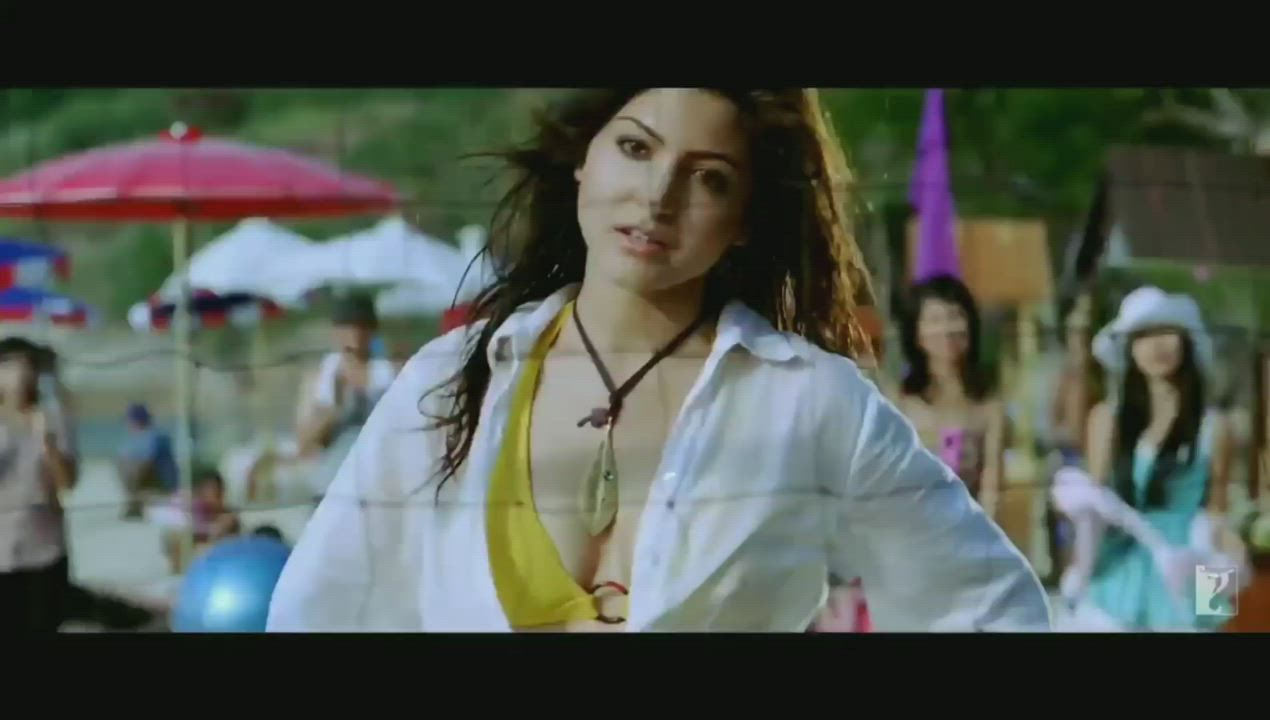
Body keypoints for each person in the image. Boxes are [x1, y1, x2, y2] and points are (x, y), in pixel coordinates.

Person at [267, 88, 1050, 632]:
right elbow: (323, 613)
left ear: (744, 220)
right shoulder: (450, 379)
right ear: (584, 159)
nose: (658, 196)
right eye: (636, 148)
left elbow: (987, 609)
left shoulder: (810, 401)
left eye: (709, 177)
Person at [1057, 286, 1244, 631]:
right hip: (1121, 562)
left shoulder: (1214, 426)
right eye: (1143, 335)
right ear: (1129, 348)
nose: (1156, 345)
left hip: (1188, 562)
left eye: (1166, 331)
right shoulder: (1107, 418)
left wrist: (1220, 588)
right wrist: (1078, 572)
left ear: (1186, 341)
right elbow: (1094, 507)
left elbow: (1216, 514)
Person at [896, 274, 1006, 519]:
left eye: (955, 316)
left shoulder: (988, 404)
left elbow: (992, 488)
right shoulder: (900, 402)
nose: (946, 329)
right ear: (916, 332)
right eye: (935, 320)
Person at [0, 337, 77, 632]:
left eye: (27, 367)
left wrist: (48, 443)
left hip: (45, 551)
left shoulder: (53, 418)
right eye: (10, 367)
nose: (20, 375)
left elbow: (67, 483)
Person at [295, 293, 397, 499]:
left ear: (372, 330)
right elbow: (304, 444)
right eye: (347, 327)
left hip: (379, 486)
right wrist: (335, 408)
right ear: (335, 332)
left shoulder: (389, 374)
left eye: (362, 327)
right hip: (332, 487)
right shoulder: (321, 377)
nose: (355, 334)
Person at [116, 402, 178, 519]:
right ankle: (134, 501)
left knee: (131, 466)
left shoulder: (155, 436)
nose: (128, 425)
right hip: (147, 480)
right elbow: (124, 455)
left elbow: (147, 461)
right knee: (124, 463)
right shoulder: (137, 438)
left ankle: (135, 502)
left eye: (129, 421)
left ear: (136, 421)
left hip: (160, 480)